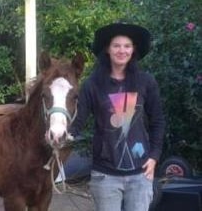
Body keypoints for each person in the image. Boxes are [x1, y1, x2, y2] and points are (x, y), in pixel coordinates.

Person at [70, 22, 166, 211]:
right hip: (105, 176)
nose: (122, 50)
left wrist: (154, 156)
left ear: (133, 49)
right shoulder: (92, 84)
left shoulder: (145, 81)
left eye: (127, 46)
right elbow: (78, 120)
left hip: (140, 174)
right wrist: (62, 135)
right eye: (116, 45)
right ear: (107, 49)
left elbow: (158, 121)